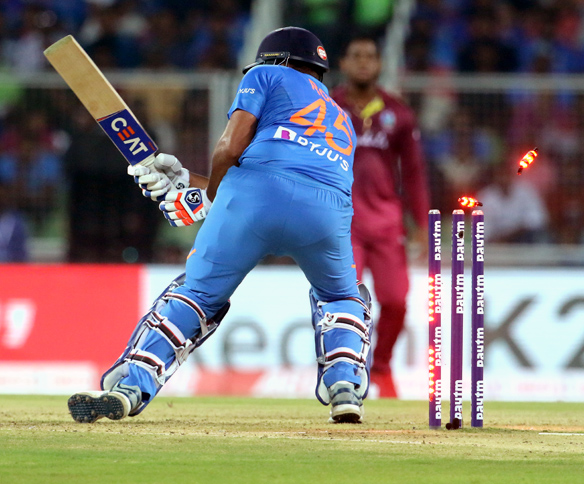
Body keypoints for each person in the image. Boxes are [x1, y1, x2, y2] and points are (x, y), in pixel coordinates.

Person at [67, 27, 373, 424]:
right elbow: (290, 167)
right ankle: (344, 386)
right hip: (328, 212)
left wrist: (208, 196)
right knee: (343, 298)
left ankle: (131, 385)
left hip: (254, 199)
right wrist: (188, 180)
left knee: (197, 294)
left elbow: (231, 149)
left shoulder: (265, 74)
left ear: (276, 59)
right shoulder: (342, 118)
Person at [332, 37, 430, 398]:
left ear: (379, 64)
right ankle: (344, 368)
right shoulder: (329, 108)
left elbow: (416, 172)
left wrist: (420, 224)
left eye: (370, 57)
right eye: (355, 56)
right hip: (343, 223)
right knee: (345, 301)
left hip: (387, 223)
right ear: (343, 63)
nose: (363, 63)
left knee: (396, 301)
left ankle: (382, 367)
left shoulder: (398, 112)